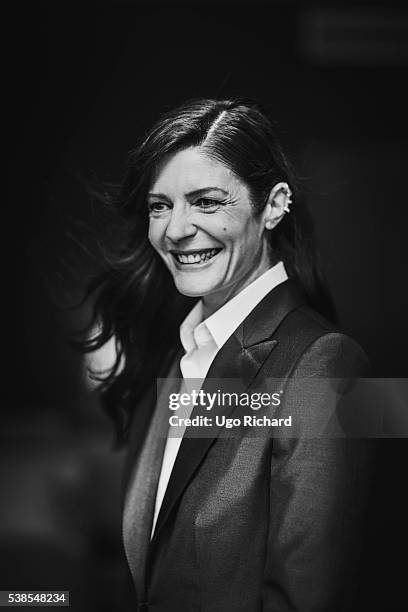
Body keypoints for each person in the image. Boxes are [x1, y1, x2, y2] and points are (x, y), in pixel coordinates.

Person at [82, 98, 374, 611]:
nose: (175, 229)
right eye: (160, 205)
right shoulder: (176, 362)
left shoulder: (328, 366)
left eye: (207, 201)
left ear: (275, 205)